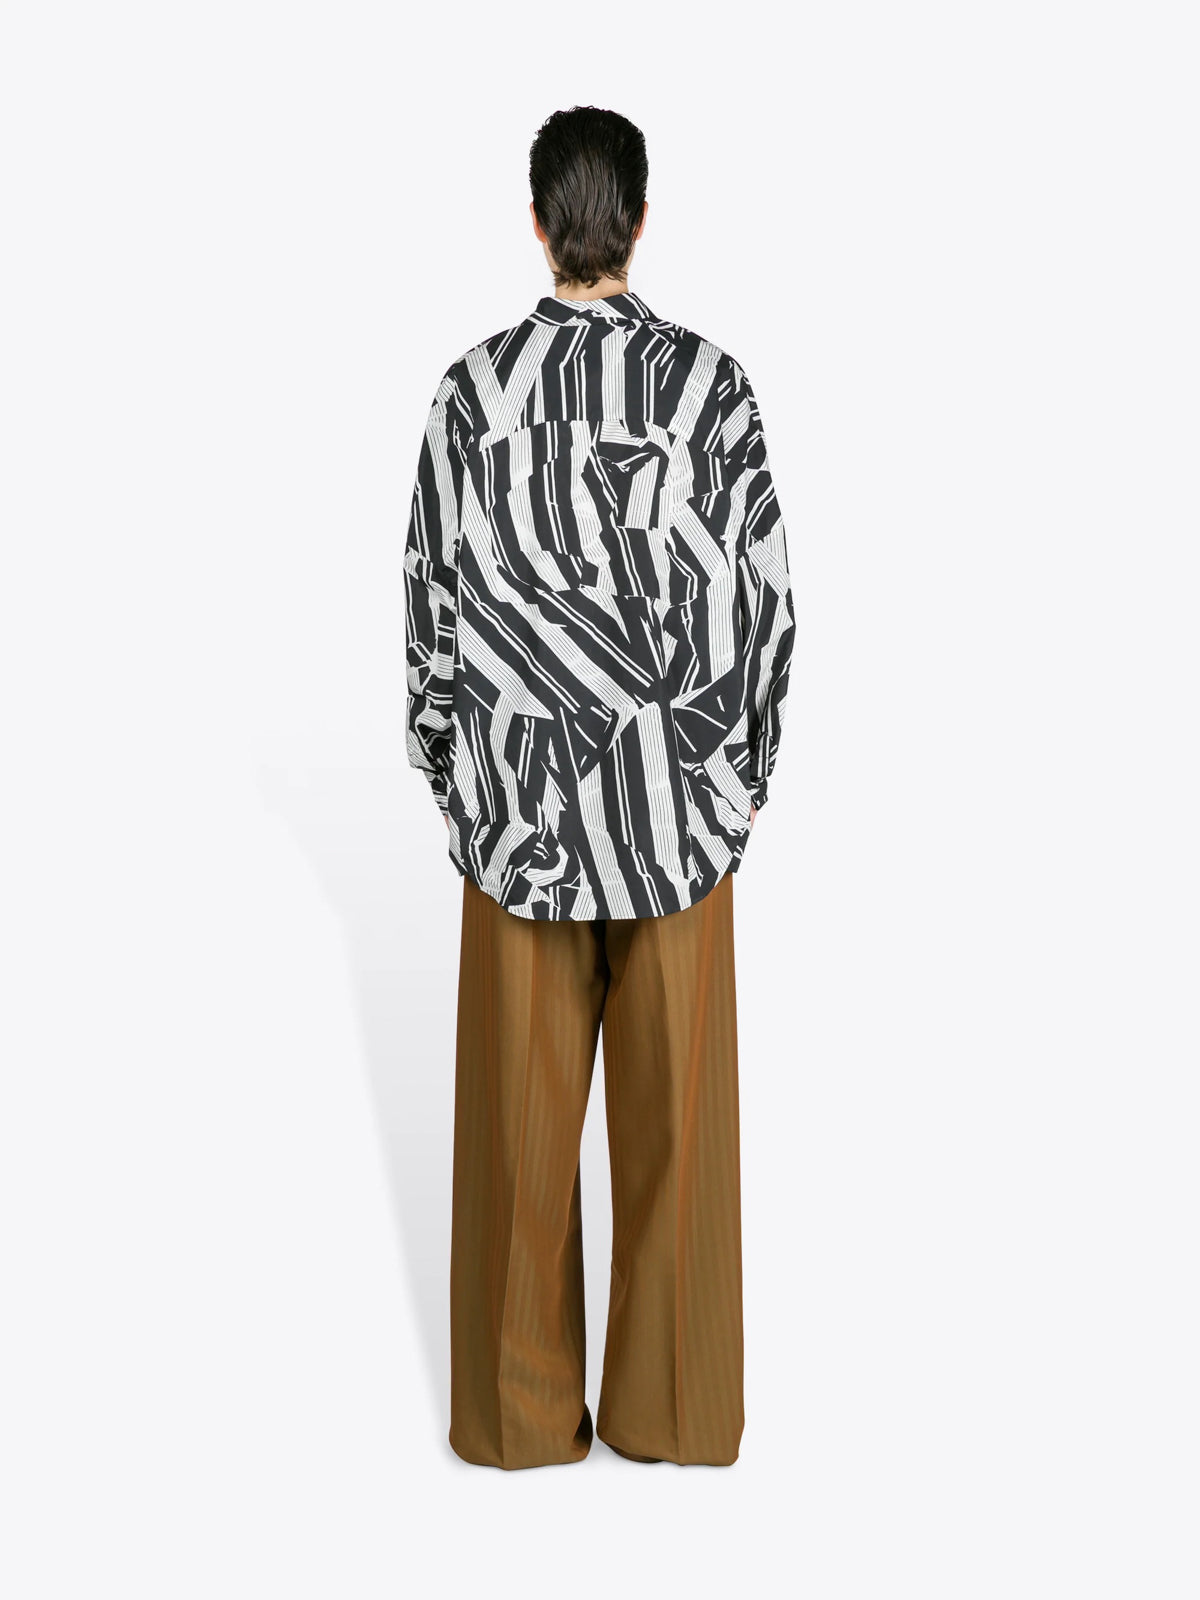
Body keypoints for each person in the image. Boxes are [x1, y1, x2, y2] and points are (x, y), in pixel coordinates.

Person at [403, 105, 795, 1469]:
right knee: (680, 1135)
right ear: (638, 220)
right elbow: (767, 605)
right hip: (677, 815)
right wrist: (740, 783)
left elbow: (429, 614)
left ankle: (516, 1423)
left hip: (518, 820)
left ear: (536, 223)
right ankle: (672, 1410)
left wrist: (459, 786)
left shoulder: (470, 397)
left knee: (514, 1145)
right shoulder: (712, 391)